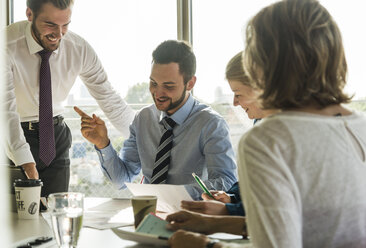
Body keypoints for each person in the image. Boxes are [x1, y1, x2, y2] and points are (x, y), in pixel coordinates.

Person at [166, 0, 366, 247]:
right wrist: (212, 223)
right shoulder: (364, 125)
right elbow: (312, 225)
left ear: (263, 64)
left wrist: (204, 245)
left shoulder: (269, 140)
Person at [75, 40, 237, 200]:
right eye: (153, 83)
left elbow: (226, 182)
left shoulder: (211, 124)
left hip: (192, 214)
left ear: (190, 83)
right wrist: (103, 144)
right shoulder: (143, 119)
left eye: (168, 86)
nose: (158, 93)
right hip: (150, 212)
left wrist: (171, 194)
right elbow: (121, 180)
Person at [4, 0, 134, 197]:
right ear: (29, 14)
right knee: (16, 220)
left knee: (55, 212)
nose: (59, 34)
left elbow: (109, 98)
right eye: (50, 25)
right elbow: (5, 112)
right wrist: (25, 161)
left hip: (55, 137)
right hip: (12, 137)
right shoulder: (5, 45)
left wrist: (143, 141)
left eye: (65, 25)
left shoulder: (78, 48)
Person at [181, 51, 276, 216]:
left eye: (238, 94)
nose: (234, 102)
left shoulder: (286, 136)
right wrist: (231, 197)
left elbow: (272, 204)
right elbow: (254, 182)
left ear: (261, 90)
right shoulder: (260, 122)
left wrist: (227, 211)